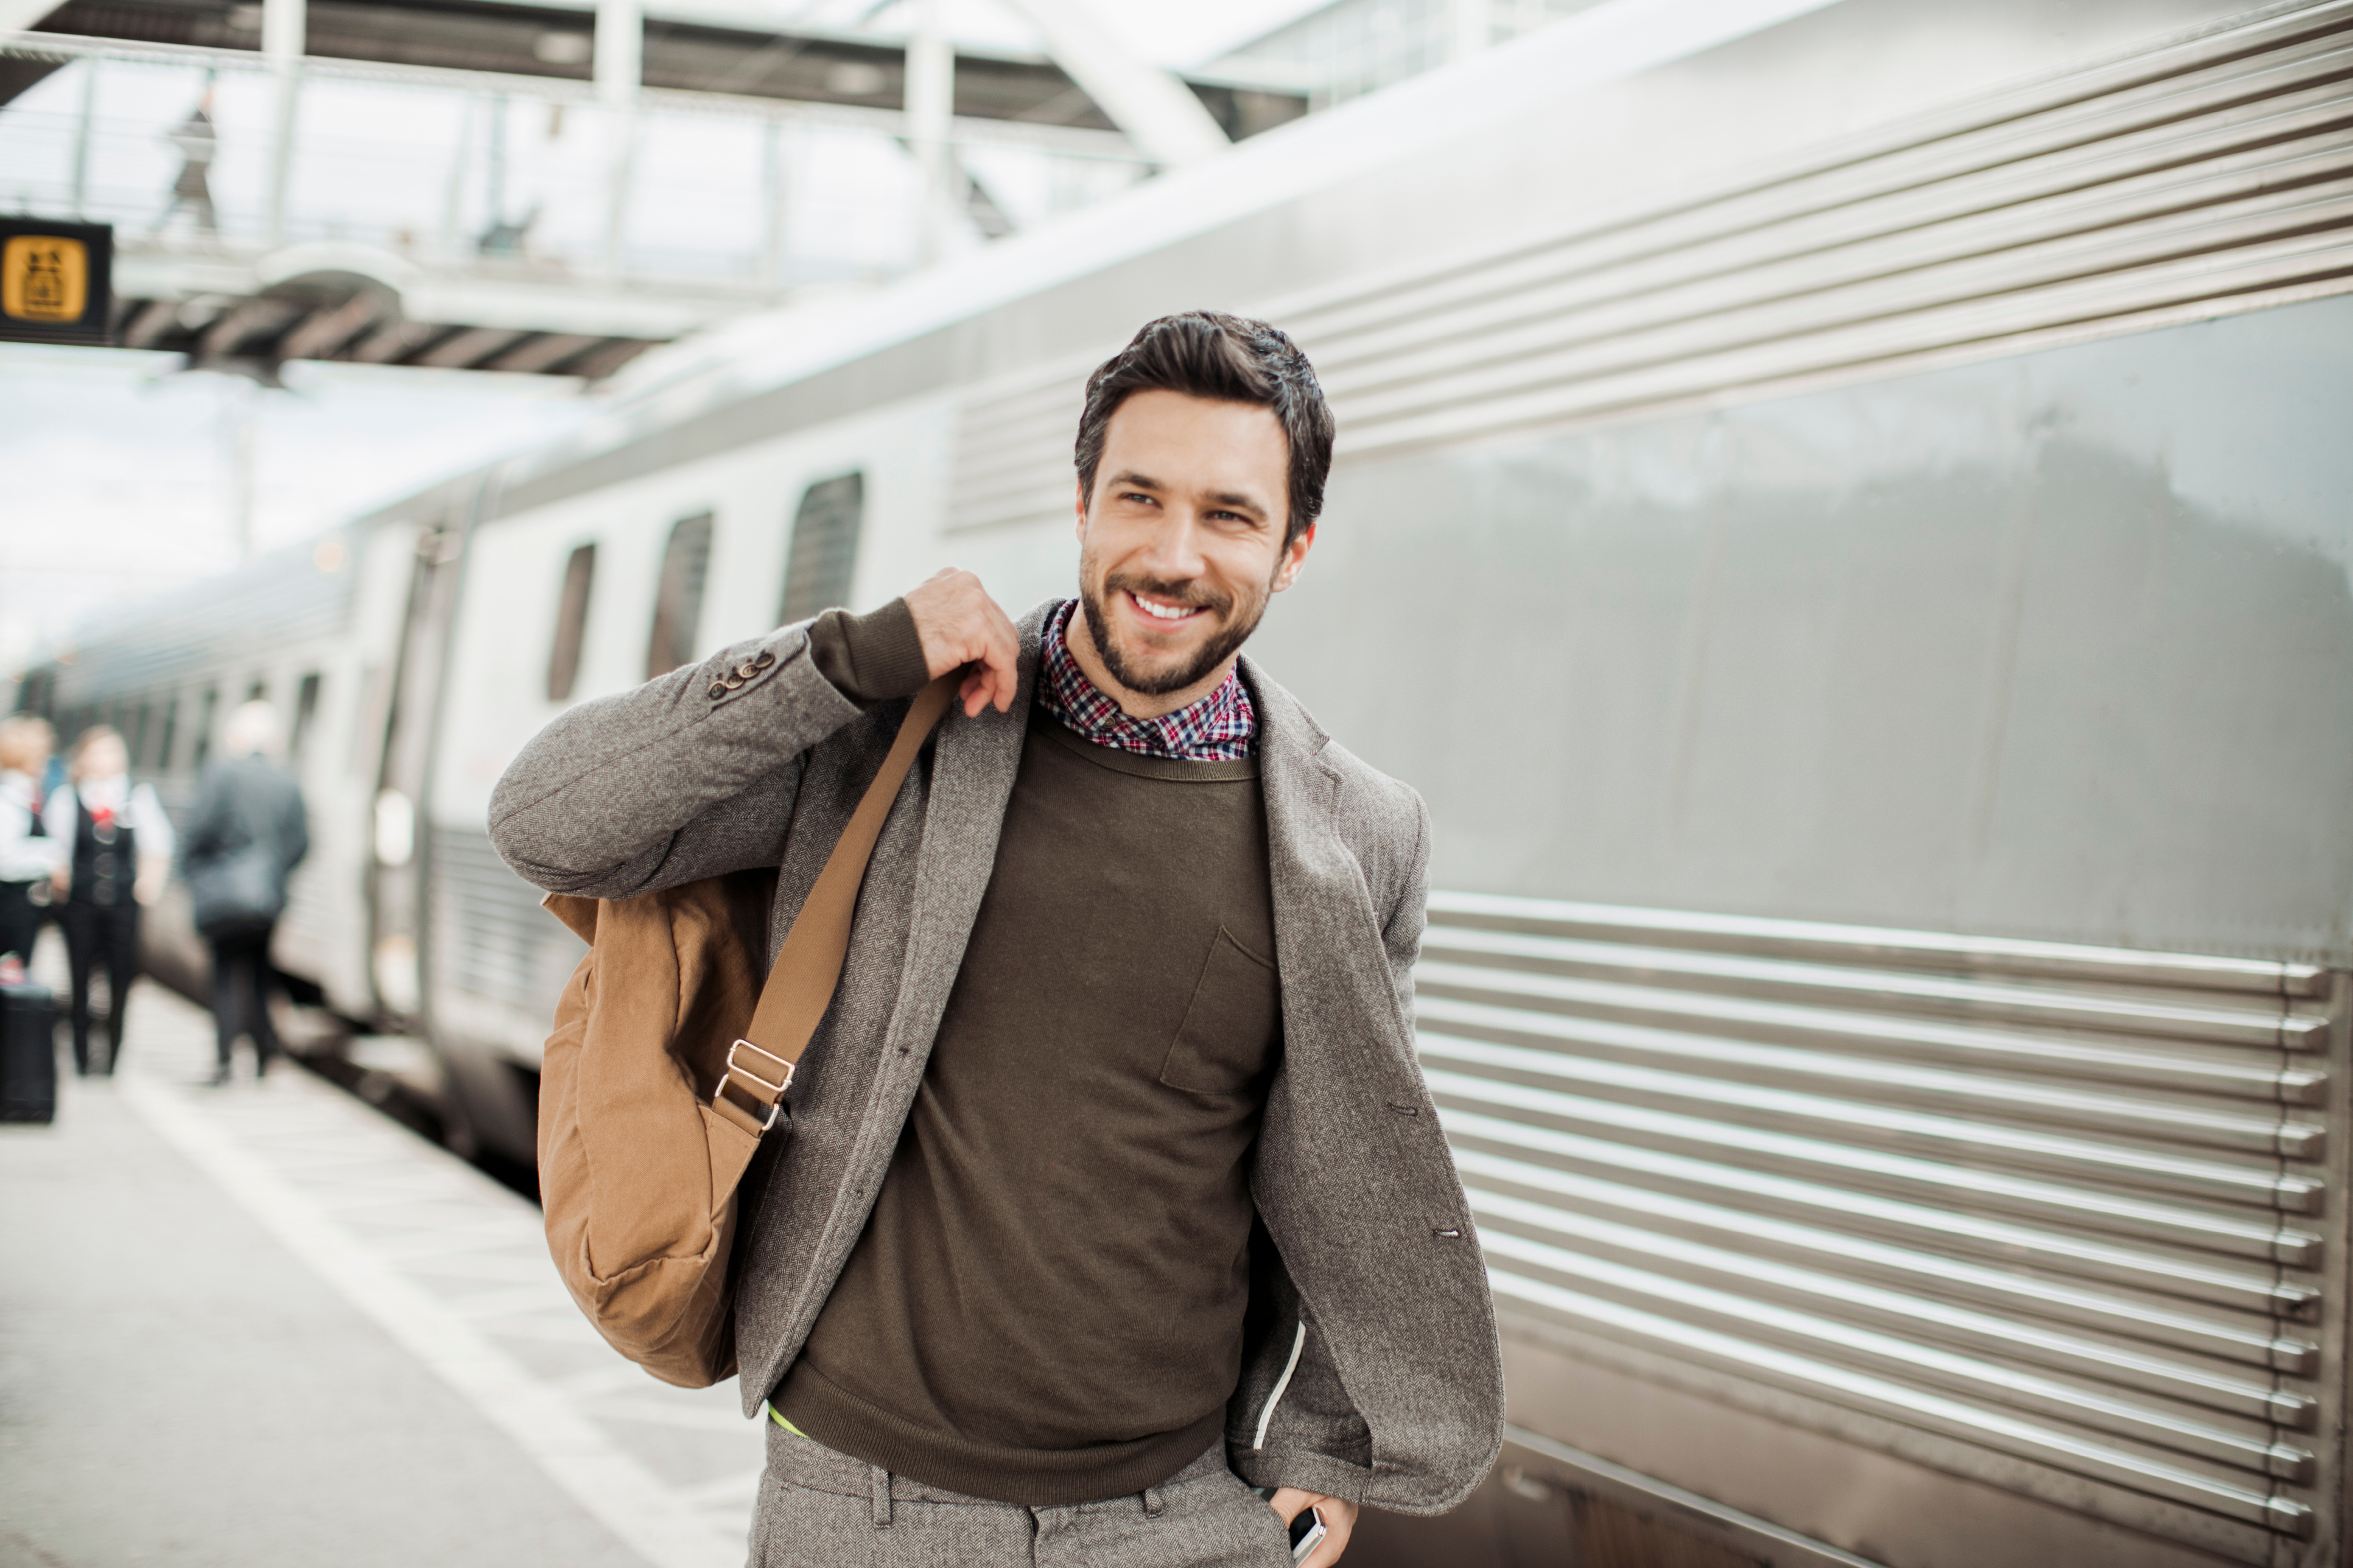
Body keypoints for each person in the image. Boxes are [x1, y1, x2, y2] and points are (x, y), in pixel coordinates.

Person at [491, 312, 1503, 1567]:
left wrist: (1325, 1439)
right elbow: (548, 824)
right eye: (1140, 497)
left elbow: (1352, 1160)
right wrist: (839, 660)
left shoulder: (1362, 833)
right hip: (863, 1507)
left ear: (1294, 549)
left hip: (1178, 1520)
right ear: (1081, 502)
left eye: (1230, 517)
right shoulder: (890, 734)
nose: (1173, 555)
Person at [181, 701, 308, 1084]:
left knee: (224, 975)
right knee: (258, 974)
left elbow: (197, 832)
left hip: (222, 895)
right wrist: (274, 874)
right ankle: (264, 1056)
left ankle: (224, 1060)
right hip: (266, 897)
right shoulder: (288, 782)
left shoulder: (219, 775)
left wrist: (194, 874)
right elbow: (301, 842)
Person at [46, 726, 174, 1075]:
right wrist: (64, 889)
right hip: (80, 906)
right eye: (100, 752)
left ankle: (113, 1055)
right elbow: (57, 851)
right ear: (85, 758)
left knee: (120, 978)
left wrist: (146, 887)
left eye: (114, 752)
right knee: (79, 978)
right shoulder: (67, 799)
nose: (108, 760)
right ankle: (81, 1055)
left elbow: (159, 844)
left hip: (122, 906)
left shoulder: (137, 797)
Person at [0, 716, 63, 983]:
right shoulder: (9, 796)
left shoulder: (27, 792)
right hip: (11, 906)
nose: (47, 759)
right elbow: (5, 858)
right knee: (11, 974)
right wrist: (52, 858)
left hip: (19, 906)